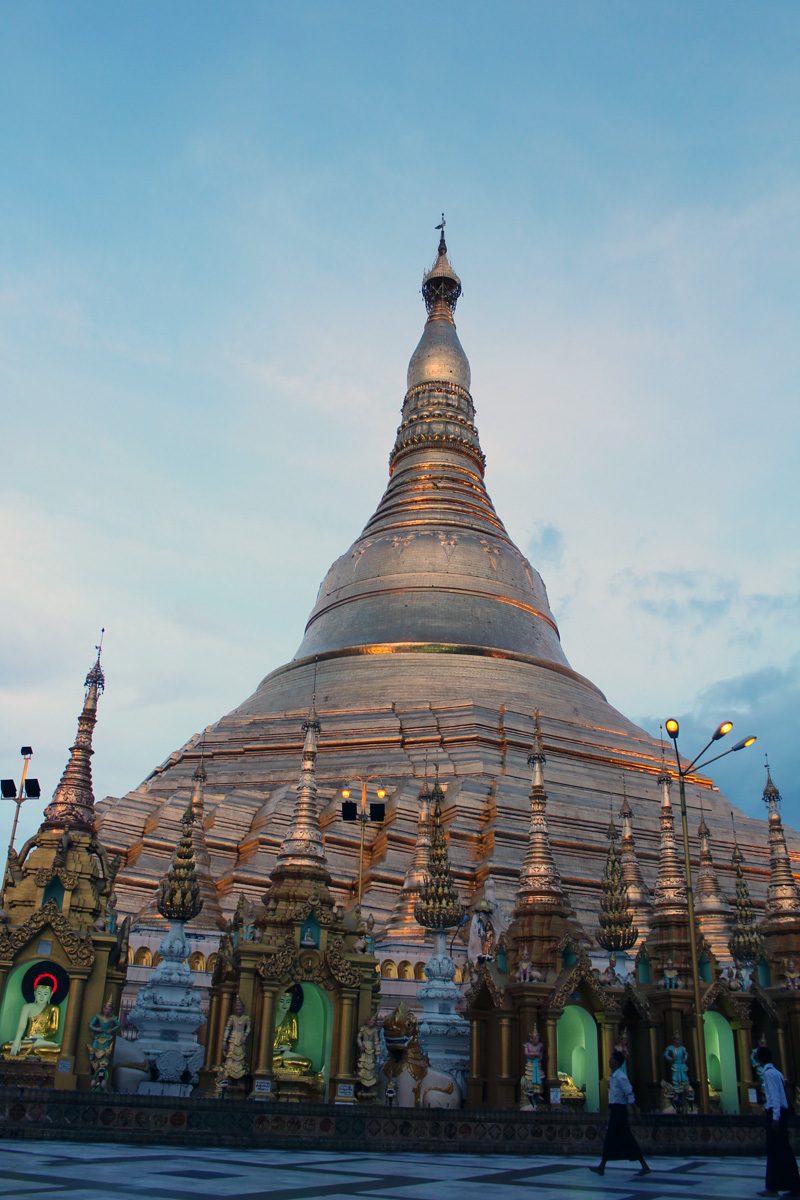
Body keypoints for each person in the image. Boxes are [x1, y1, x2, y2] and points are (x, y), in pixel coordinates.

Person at [590, 1050, 650, 1177]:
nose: (609, 1061)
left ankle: (602, 1166)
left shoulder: (621, 1077)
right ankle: (603, 1166)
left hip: (620, 1111)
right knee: (619, 1138)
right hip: (615, 1110)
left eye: (612, 1059)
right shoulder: (613, 1076)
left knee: (613, 1138)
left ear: (617, 1062)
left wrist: (635, 1111)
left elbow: (629, 1093)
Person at [755, 1045, 800, 1197]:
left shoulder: (768, 1074)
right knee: (777, 1151)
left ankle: (793, 1186)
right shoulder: (778, 1073)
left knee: (780, 1151)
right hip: (780, 1114)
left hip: (776, 1116)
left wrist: (775, 1118)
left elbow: (774, 1097)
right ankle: (774, 1186)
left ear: (759, 1059)